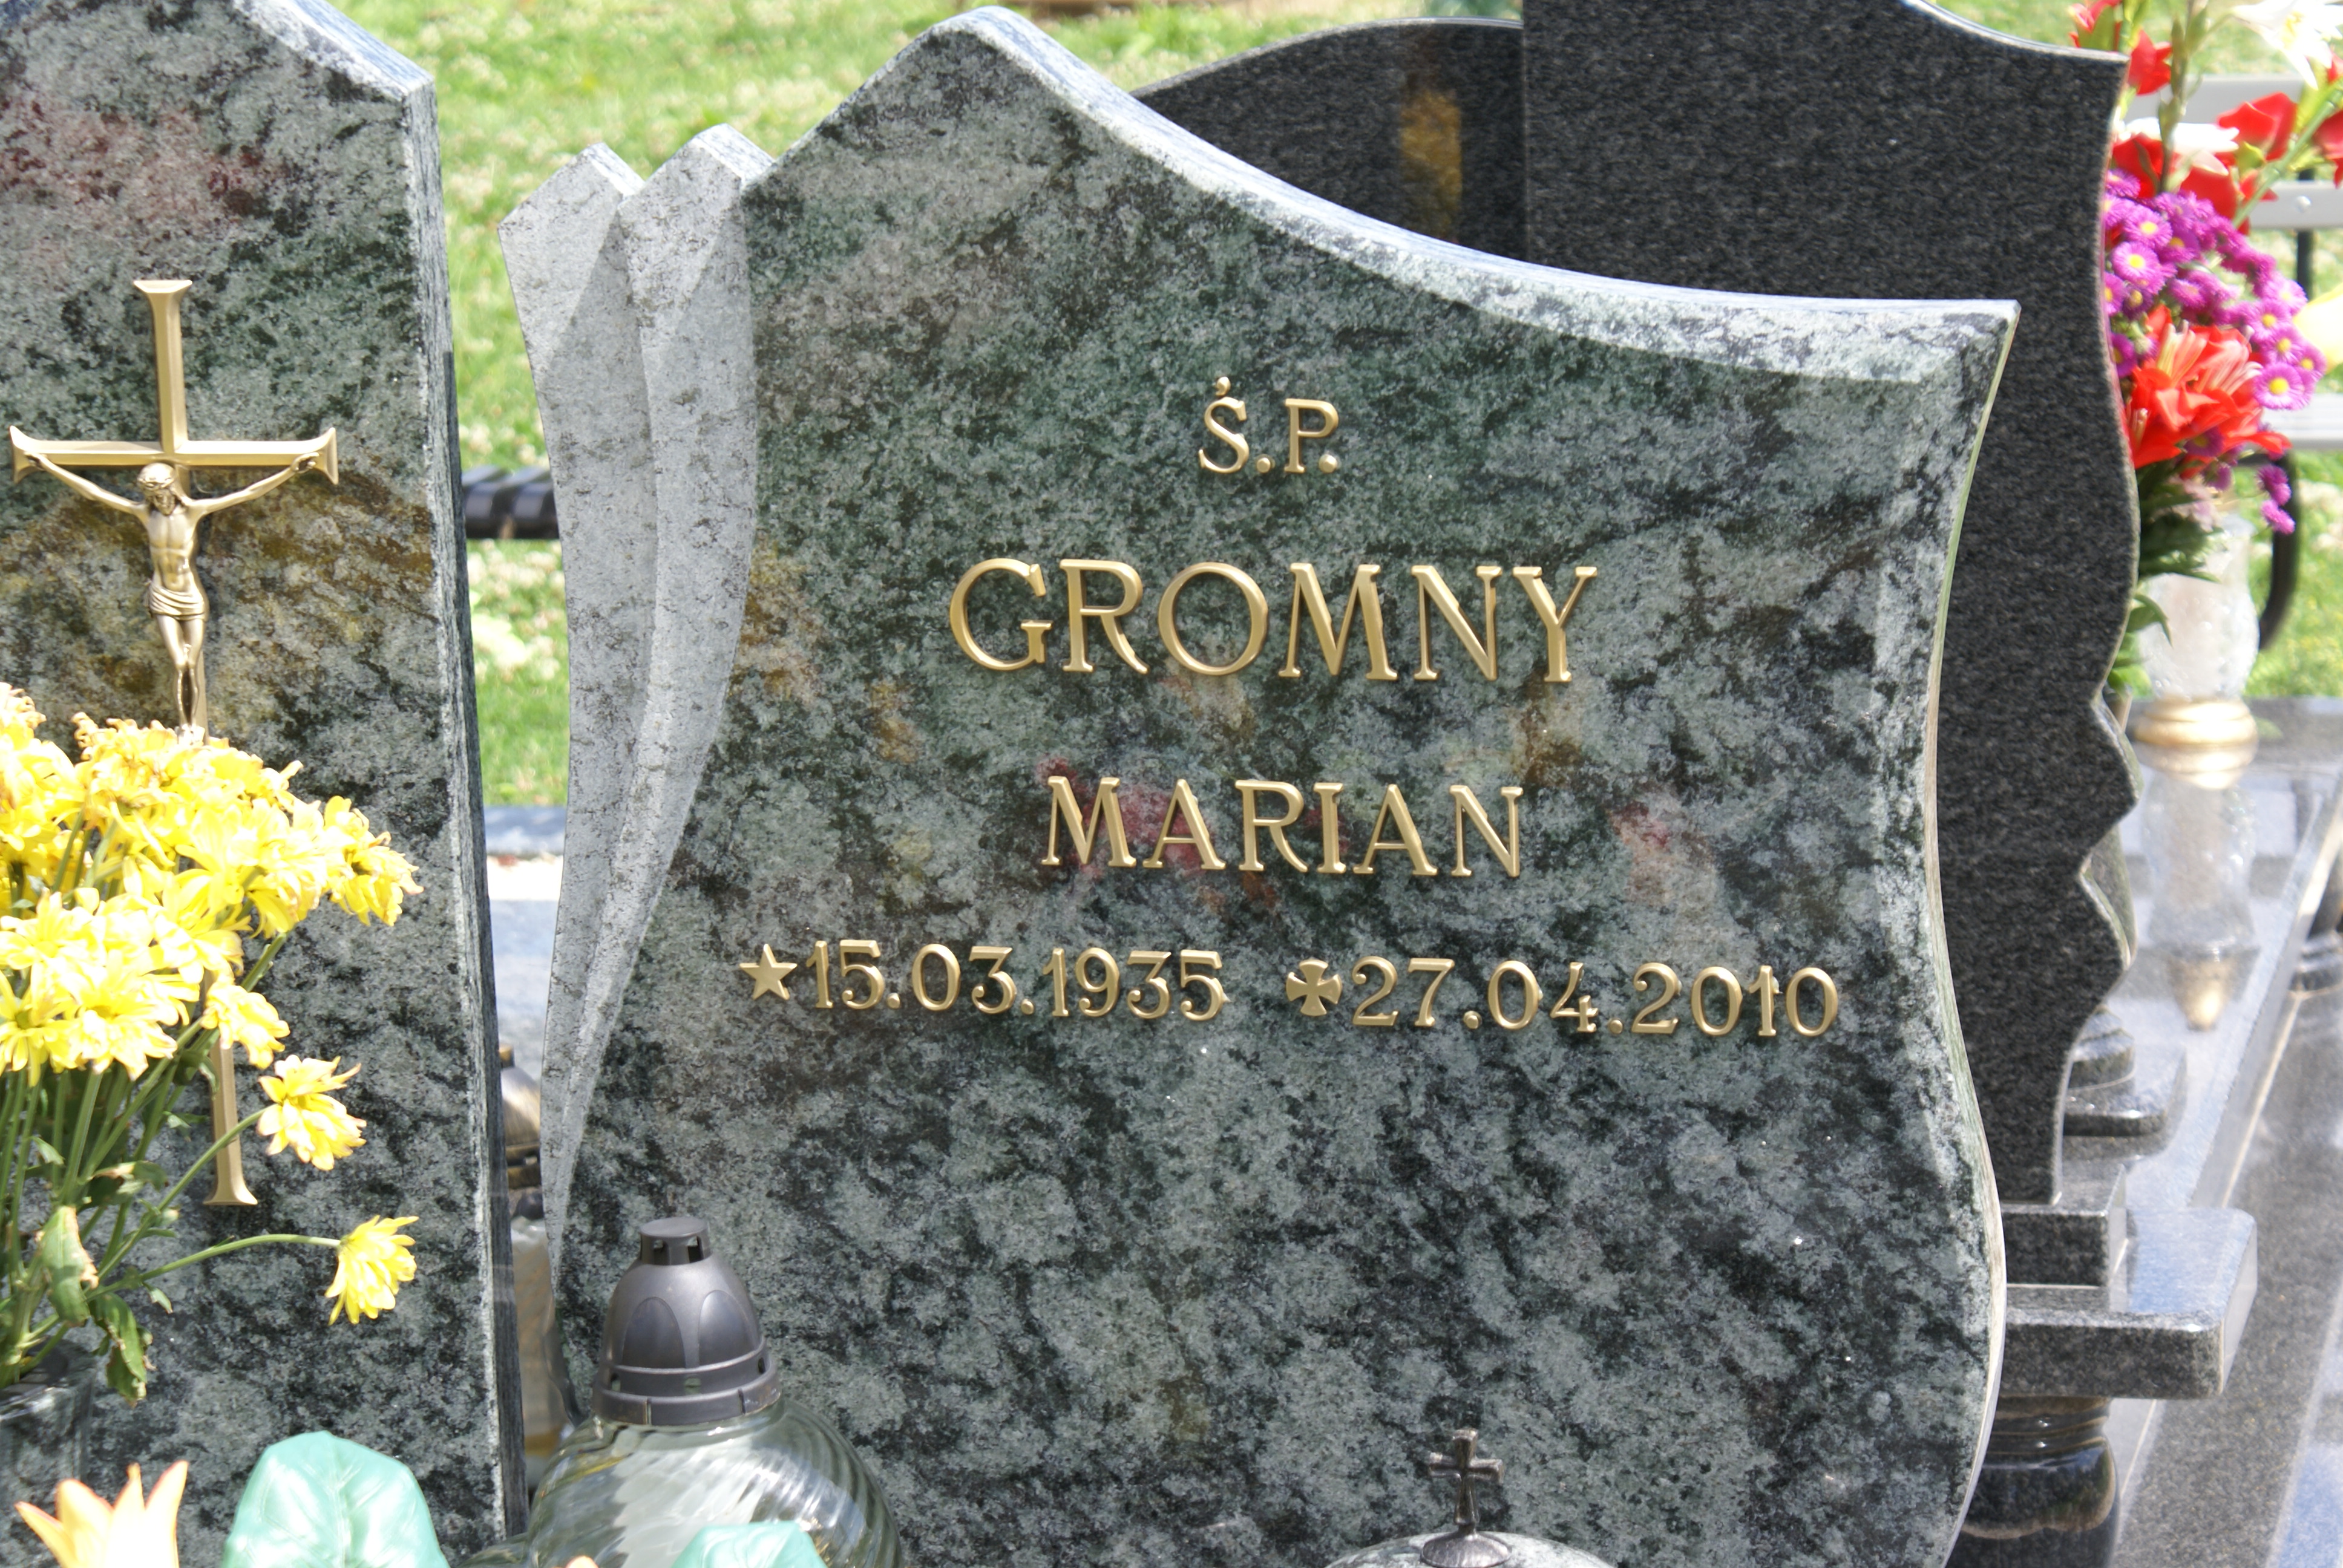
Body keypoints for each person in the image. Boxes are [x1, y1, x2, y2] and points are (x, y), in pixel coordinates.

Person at [19, 451, 318, 734]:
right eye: (153, 496)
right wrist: (49, 466)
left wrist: (291, 471)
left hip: (191, 597)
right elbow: (95, 493)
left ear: (173, 489)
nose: (159, 500)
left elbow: (247, 494)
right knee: (179, 663)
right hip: (162, 595)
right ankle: (185, 726)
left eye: (162, 493)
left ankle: (192, 726)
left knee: (192, 664)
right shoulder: (145, 515)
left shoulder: (193, 512)